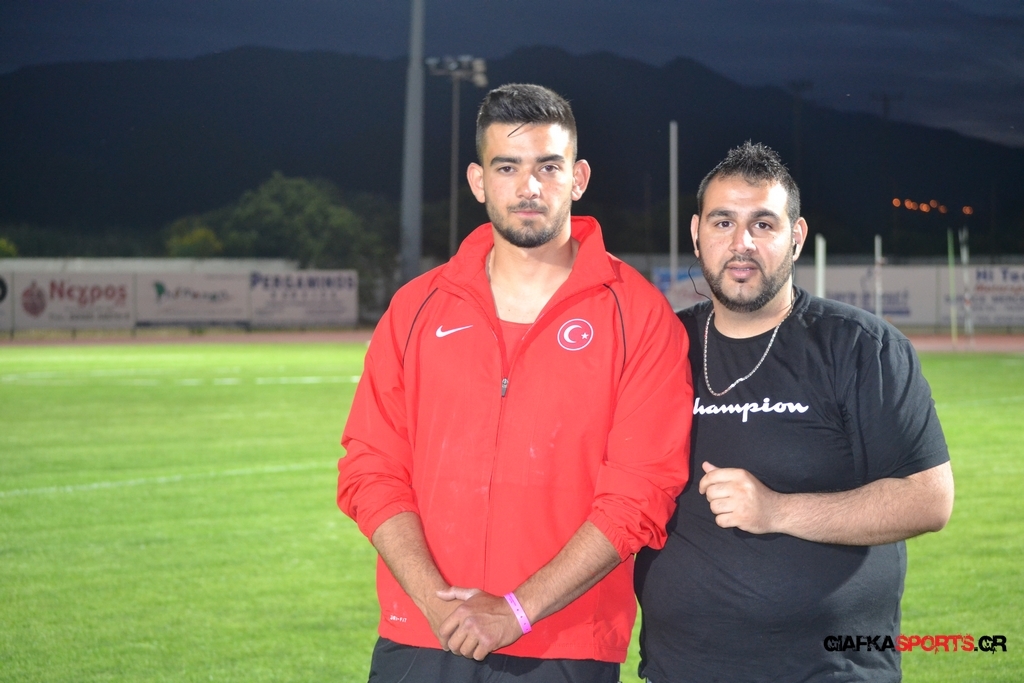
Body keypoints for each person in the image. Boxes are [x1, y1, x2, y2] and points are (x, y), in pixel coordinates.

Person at [338, 83, 693, 683]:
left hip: (566, 644)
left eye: (548, 167)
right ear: (479, 182)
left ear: (578, 178)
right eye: (508, 167)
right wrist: (434, 603)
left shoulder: (639, 316)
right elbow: (370, 469)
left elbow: (640, 493)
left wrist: (516, 610)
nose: (529, 186)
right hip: (423, 636)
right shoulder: (416, 308)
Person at [634, 141, 954, 683]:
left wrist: (777, 511)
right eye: (723, 223)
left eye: (763, 224)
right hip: (679, 667)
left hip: (829, 670)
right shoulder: (659, 347)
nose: (741, 243)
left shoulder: (860, 347)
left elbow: (928, 499)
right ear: (696, 233)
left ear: (797, 237)